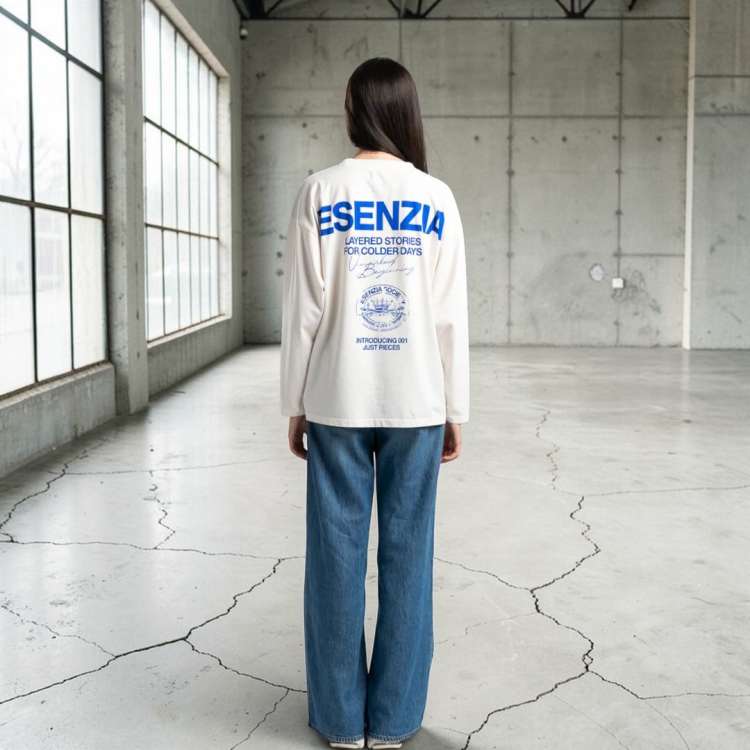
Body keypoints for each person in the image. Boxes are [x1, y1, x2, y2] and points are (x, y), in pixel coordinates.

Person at [279, 56, 470, 750]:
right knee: (409, 556)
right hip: (416, 398)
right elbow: (449, 315)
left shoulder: (320, 190)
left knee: (334, 556)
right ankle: (391, 722)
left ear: (353, 110)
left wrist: (295, 401)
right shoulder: (436, 198)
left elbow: (304, 308)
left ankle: (339, 721)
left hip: (338, 394)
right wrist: (454, 407)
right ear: (407, 113)